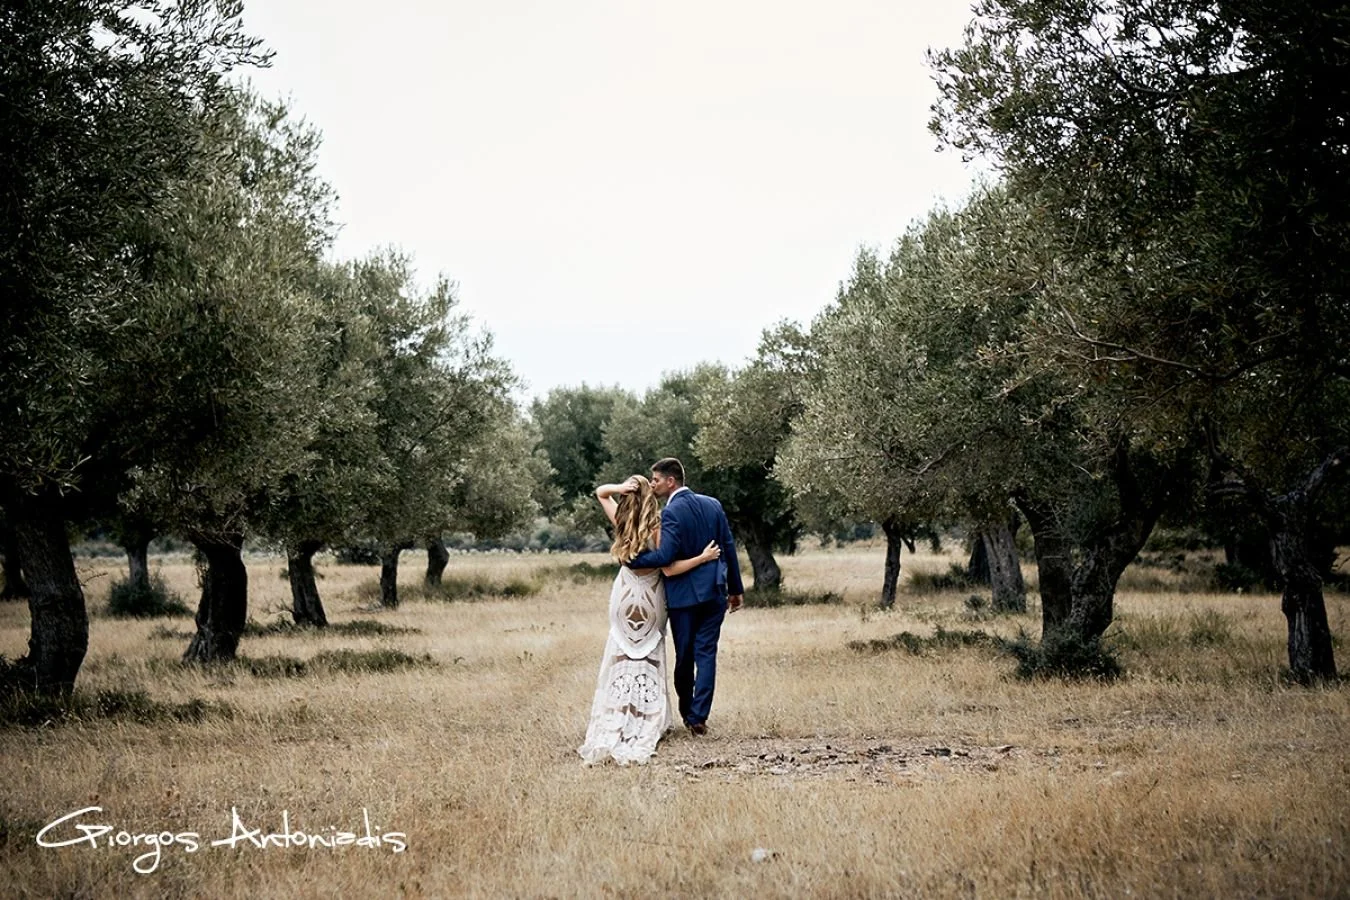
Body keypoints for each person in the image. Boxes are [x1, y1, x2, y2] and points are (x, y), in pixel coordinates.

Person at [578, 474, 721, 765]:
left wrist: (619, 488)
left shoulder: (620, 519)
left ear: (629, 494)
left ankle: (618, 710)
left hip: (624, 595)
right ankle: (648, 714)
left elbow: (600, 493)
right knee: (650, 656)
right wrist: (703, 558)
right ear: (649, 496)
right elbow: (669, 570)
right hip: (653, 597)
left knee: (621, 654)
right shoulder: (657, 526)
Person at [626, 457, 744, 736]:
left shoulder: (671, 512)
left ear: (671, 481)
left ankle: (688, 712)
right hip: (715, 591)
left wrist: (632, 559)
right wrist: (736, 589)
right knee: (706, 654)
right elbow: (728, 547)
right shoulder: (713, 505)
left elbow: (666, 557)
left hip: (683, 598)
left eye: (655, 480)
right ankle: (698, 716)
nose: (652, 484)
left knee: (684, 657)